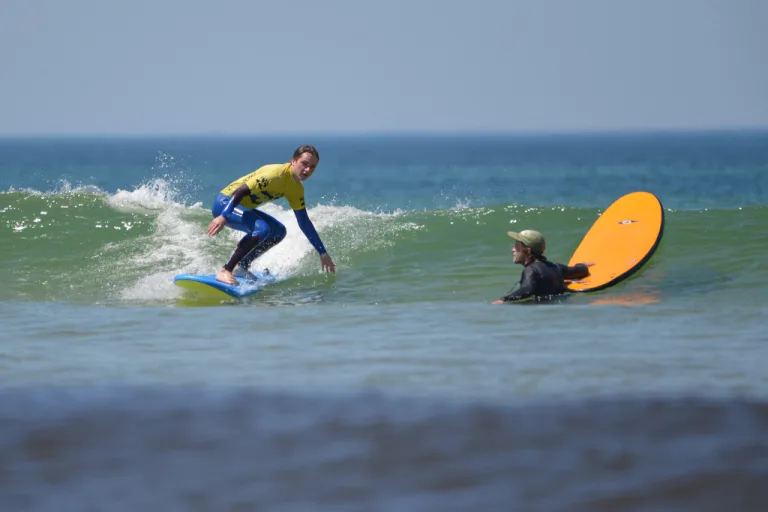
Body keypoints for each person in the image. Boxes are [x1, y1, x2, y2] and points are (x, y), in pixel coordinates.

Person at [206, 145, 335, 285]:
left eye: (312, 167)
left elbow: (304, 221)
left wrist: (322, 253)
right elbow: (240, 191)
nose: (307, 170)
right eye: (304, 164)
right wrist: (224, 216)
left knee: (278, 232)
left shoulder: (296, 189)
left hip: (242, 208)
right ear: (293, 161)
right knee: (262, 229)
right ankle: (226, 270)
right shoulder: (275, 174)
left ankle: (241, 266)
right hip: (225, 204)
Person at [493, 229, 593, 304]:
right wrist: (582, 265)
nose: (513, 249)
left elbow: (527, 290)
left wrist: (503, 299)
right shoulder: (555, 267)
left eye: (517, 246)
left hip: (543, 311)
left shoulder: (530, 270)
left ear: (527, 251)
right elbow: (580, 271)